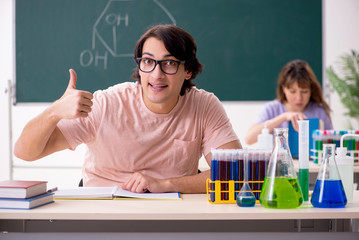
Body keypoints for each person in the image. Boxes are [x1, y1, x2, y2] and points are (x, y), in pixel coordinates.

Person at [14, 24, 241, 193]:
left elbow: (235, 175)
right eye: (148, 61)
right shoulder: (106, 104)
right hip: (103, 211)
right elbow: (25, 152)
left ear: (188, 71)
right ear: (140, 66)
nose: (157, 74)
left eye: (170, 63)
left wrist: (165, 184)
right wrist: (54, 112)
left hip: (170, 213)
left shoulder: (204, 105)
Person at [245, 59, 332, 145]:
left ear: (311, 90)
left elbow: (331, 142)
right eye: (293, 91)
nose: (299, 98)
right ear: (284, 89)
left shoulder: (319, 111)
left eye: (304, 91)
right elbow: (248, 139)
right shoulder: (271, 109)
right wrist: (283, 117)